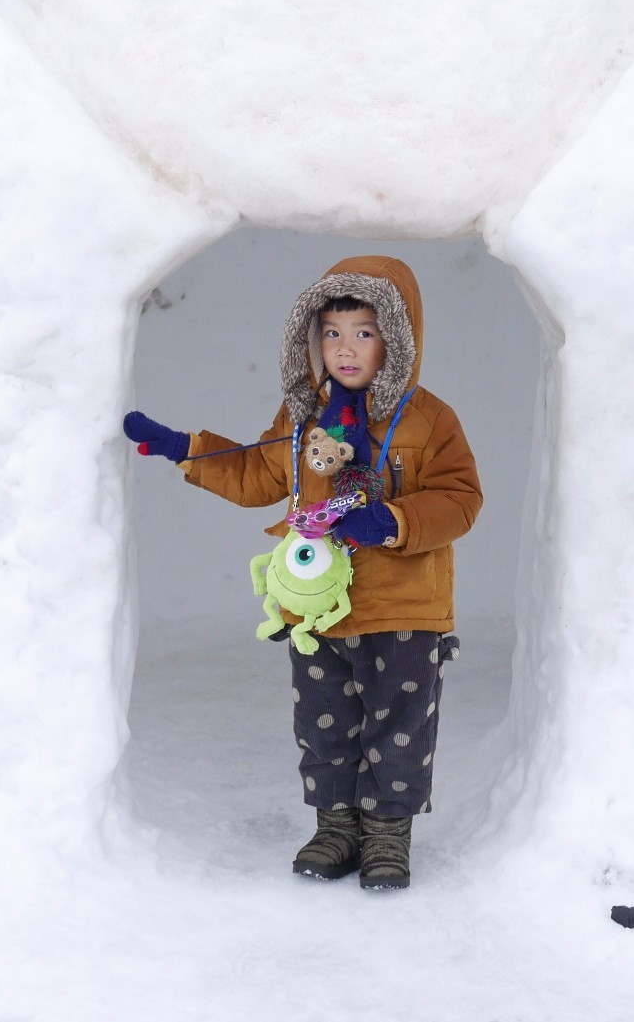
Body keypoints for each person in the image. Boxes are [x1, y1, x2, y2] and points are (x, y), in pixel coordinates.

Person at [122, 255, 482, 890]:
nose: (346, 349)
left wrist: (393, 520)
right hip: (320, 609)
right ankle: (336, 826)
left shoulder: (430, 420)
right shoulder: (302, 417)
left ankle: (387, 836)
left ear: (397, 338)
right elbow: (259, 475)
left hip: (404, 607)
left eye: (365, 332)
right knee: (324, 721)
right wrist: (186, 449)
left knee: (398, 724)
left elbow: (460, 498)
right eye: (332, 333)